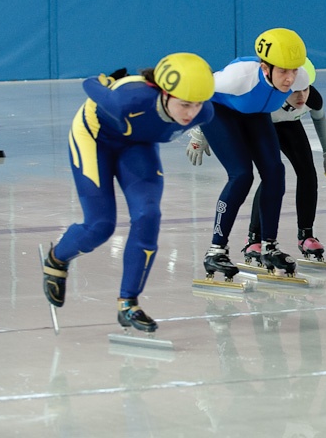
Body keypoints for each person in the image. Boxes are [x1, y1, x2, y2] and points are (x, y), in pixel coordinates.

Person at [42, 53, 215, 332]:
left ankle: (128, 304)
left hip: (138, 144)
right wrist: (106, 82)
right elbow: (89, 84)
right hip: (94, 136)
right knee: (100, 225)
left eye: (197, 104)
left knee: (148, 215)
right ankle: (57, 258)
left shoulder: (204, 112)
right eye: (184, 104)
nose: (190, 114)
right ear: (164, 92)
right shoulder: (128, 100)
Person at [186, 28, 309, 280]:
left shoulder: (299, 77)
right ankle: (215, 250)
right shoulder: (238, 77)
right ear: (265, 68)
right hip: (220, 111)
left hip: (255, 115)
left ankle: (268, 247)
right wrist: (200, 133)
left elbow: (312, 101)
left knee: (275, 172)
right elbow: (199, 90)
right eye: (283, 71)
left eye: (294, 70)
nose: (290, 79)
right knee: (241, 175)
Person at [245, 58, 326, 263]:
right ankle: (254, 238)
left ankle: (306, 234)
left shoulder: (312, 97)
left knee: (308, 173)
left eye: (305, 89)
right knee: (271, 176)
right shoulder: (264, 98)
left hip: (290, 125)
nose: (301, 97)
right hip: (263, 125)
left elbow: (319, 118)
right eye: (295, 91)